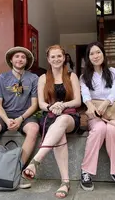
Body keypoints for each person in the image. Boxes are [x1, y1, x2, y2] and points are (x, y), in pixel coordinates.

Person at [22, 45, 81, 199]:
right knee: (58, 131)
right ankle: (65, 182)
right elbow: (41, 104)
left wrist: (63, 105)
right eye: (53, 57)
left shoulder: (71, 76)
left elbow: (77, 101)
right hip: (50, 117)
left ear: (64, 58)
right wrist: (51, 106)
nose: (56, 59)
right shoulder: (43, 78)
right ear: (48, 59)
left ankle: (36, 160)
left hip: (69, 117)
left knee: (61, 121)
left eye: (59, 56)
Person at [0, 47, 39, 189]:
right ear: (11, 60)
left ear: (26, 61)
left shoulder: (33, 78)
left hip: (25, 115)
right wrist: (7, 119)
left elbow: (34, 105)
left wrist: (20, 118)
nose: (20, 59)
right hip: (5, 115)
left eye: (23, 57)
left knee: (34, 128)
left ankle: (15, 171)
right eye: (17, 56)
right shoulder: (2, 78)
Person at [79, 42, 115, 193]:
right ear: (88, 57)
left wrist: (106, 104)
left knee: (111, 130)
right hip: (94, 113)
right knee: (100, 128)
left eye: (98, 52)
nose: (95, 56)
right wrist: (90, 106)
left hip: (111, 112)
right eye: (92, 54)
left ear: (103, 54)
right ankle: (86, 171)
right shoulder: (84, 77)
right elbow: (85, 94)